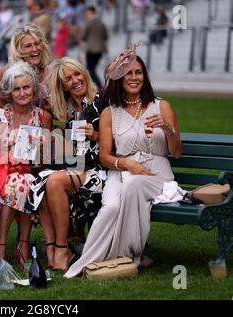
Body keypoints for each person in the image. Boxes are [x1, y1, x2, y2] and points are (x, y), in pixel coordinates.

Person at [64, 44, 182, 278]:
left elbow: (177, 153)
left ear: (144, 76)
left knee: (133, 185)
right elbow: (105, 156)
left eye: (138, 72)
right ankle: (89, 260)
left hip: (154, 173)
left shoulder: (162, 106)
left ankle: (126, 256)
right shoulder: (111, 112)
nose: (134, 77)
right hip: (122, 169)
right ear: (120, 78)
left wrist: (168, 129)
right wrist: (126, 164)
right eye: (128, 73)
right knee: (111, 207)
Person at [25, 57, 107, 271]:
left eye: (77, 74)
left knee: (55, 182)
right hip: (81, 165)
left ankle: (62, 248)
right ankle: (52, 248)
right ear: (63, 86)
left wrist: (97, 134)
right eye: (68, 79)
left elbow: (121, 137)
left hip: (102, 170)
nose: (75, 81)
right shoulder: (72, 109)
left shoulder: (103, 99)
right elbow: (75, 147)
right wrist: (52, 138)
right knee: (40, 179)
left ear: (85, 73)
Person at [0, 61, 52, 266]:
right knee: (21, 182)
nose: (22, 93)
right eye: (17, 89)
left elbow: (45, 161)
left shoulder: (43, 117)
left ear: (33, 88)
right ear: (9, 91)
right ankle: (17, 244)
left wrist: (44, 147)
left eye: (26, 87)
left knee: (25, 181)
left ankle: (5, 245)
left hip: (28, 175)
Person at [0, 24, 53, 111]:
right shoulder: (7, 72)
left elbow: (61, 120)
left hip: (48, 123)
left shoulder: (51, 72)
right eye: (28, 46)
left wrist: (53, 111)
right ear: (18, 50)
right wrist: (1, 99)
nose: (34, 49)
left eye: (37, 44)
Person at [81, 5, 108, 88]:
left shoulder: (89, 23)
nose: (85, 15)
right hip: (100, 49)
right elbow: (105, 36)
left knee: (90, 69)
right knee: (91, 68)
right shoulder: (101, 23)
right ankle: (96, 86)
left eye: (86, 13)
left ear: (90, 12)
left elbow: (83, 36)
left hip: (91, 49)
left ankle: (98, 86)